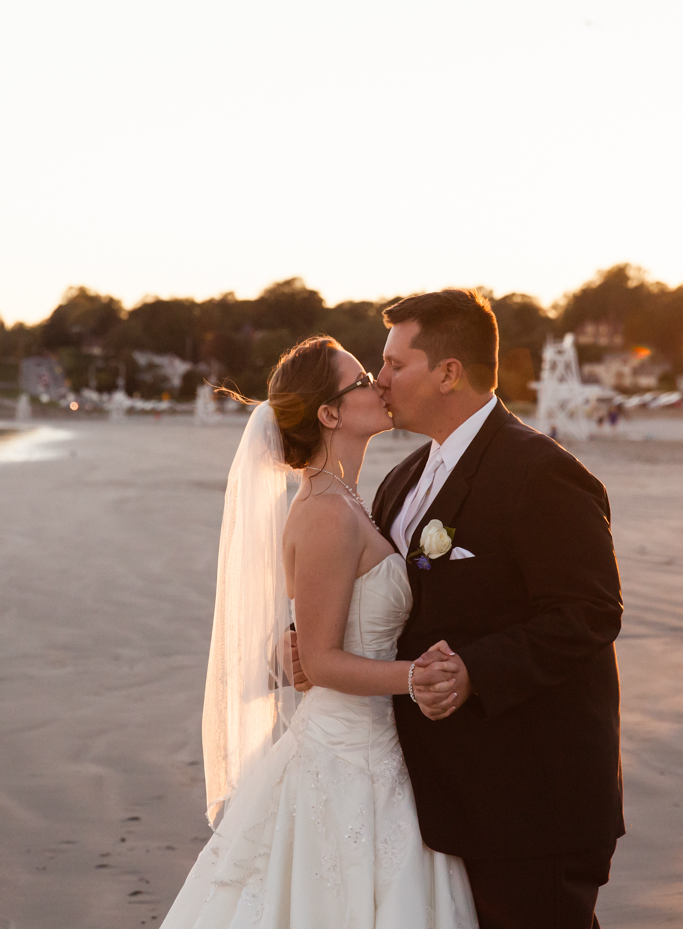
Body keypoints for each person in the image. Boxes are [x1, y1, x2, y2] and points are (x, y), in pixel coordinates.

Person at [302, 290, 625, 929]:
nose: (381, 379)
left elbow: (589, 612)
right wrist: (307, 643)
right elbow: (385, 604)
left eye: (396, 364)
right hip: (439, 800)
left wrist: (475, 668)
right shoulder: (403, 481)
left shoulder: (540, 474)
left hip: (532, 800)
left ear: (450, 372)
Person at [162, 337, 477, 929]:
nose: (379, 385)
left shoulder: (355, 500)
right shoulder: (328, 512)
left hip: (381, 752)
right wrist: (416, 676)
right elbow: (323, 660)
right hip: (343, 758)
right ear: (329, 414)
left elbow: (316, 636)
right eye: (362, 380)